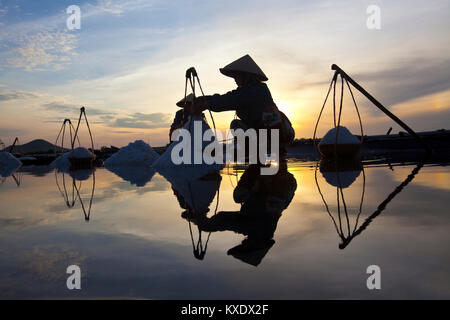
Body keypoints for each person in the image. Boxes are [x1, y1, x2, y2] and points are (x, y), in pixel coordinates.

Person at [195, 54, 295, 156]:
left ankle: (260, 155)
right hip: (265, 134)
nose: (234, 79)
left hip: (278, 135)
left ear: (246, 76)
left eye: (236, 75)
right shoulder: (248, 90)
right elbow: (229, 96)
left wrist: (208, 103)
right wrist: (204, 99)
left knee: (236, 125)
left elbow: (228, 100)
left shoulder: (256, 90)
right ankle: (261, 154)